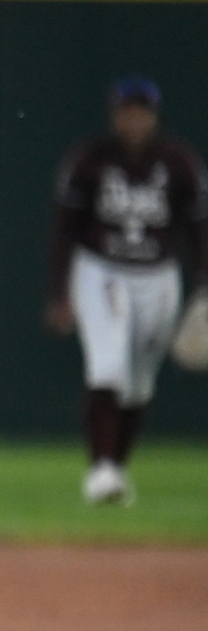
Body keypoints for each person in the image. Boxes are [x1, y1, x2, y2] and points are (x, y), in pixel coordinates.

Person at [45, 76, 208, 505]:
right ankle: (101, 469)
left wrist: (205, 287)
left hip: (158, 277)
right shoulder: (90, 161)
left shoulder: (178, 163)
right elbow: (64, 230)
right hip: (101, 271)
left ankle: (114, 469)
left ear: (153, 116)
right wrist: (60, 293)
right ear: (115, 114)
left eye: (142, 111)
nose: (134, 119)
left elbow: (197, 230)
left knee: (138, 384)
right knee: (108, 366)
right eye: (127, 110)